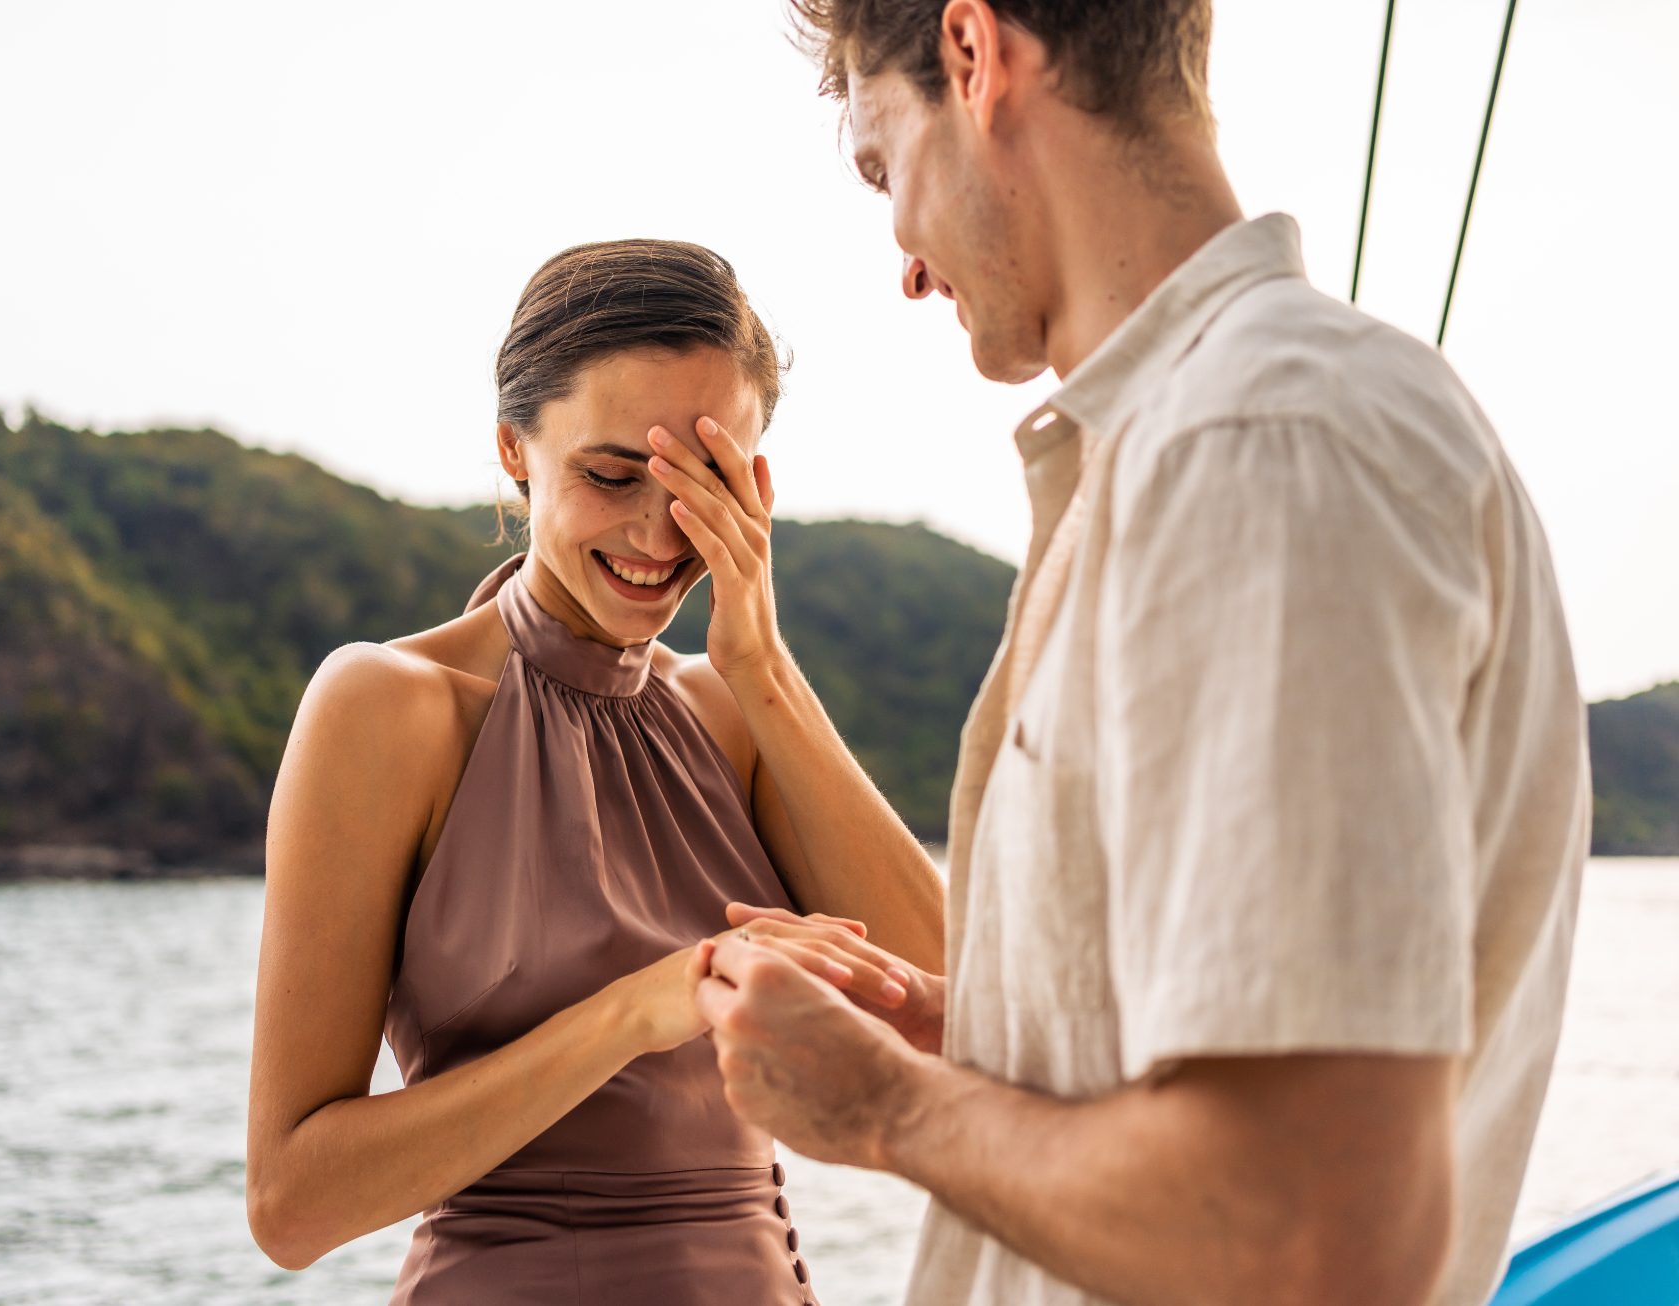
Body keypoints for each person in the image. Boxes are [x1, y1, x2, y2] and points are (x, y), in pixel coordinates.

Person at [691, 3, 1592, 1305]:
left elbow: (1314, 1233)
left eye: (885, 166)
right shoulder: (1235, 437)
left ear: (973, 56)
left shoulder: (1260, 446)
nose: (905, 261)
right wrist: (977, 1036)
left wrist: (884, 1105)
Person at [243, 237, 945, 1303]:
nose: (658, 533)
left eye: (700, 481)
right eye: (613, 474)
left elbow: (962, 1021)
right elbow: (292, 1204)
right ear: (513, 450)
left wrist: (761, 667)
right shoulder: (390, 709)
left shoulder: (737, 714)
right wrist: (637, 1010)